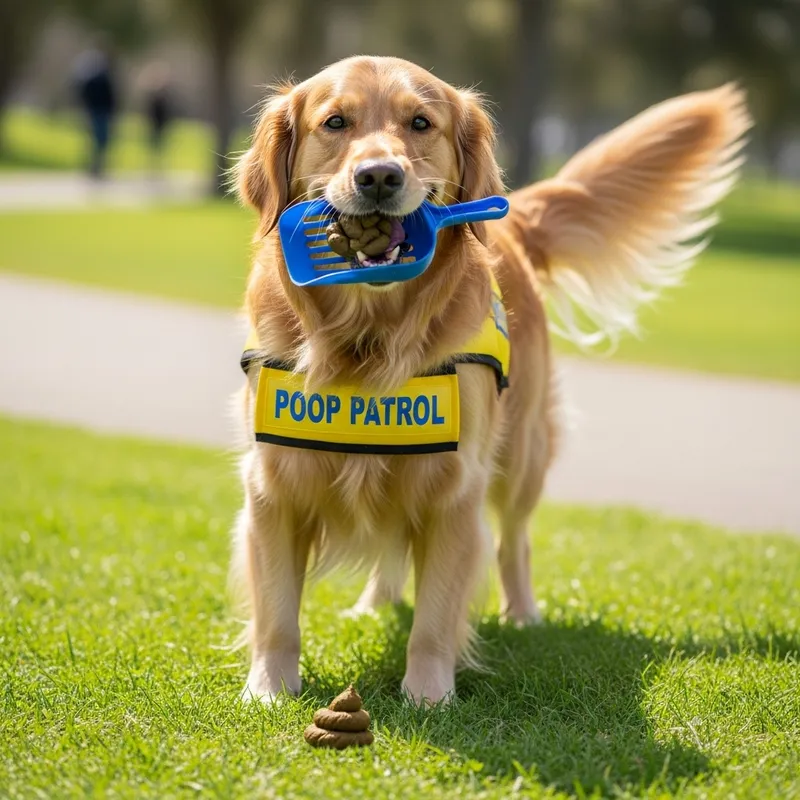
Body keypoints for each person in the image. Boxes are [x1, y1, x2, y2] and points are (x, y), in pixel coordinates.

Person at [72, 44, 118, 179]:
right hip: (96, 112)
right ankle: (94, 168)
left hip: (102, 113)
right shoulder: (93, 79)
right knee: (95, 141)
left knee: (100, 142)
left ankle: (97, 167)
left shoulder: (104, 77)